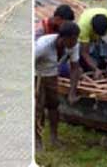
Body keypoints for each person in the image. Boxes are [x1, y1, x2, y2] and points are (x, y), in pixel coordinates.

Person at [34, 21, 81, 150]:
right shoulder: (42, 46)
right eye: (73, 40)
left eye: (76, 39)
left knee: (54, 105)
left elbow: (75, 68)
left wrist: (72, 92)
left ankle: (54, 138)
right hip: (37, 74)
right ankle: (36, 140)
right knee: (38, 107)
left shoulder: (74, 45)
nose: (75, 42)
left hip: (52, 74)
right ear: (63, 38)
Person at [77, 7, 107, 79]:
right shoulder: (83, 27)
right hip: (88, 36)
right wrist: (95, 69)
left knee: (105, 52)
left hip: (103, 35)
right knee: (87, 56)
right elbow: (84, 53)